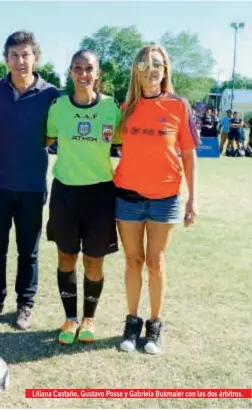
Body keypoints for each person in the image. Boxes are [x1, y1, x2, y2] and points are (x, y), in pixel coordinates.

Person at [113, 45, 200, 355]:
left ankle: (154, 326)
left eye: (158, 64)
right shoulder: (124, 108)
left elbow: (189, 156)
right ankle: (131, 323)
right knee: (133, 260)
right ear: (136, 70)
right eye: (145, 63)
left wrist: (193, 200)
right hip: (127, 195)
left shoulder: (179, 106)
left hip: (165, 197)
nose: (151, 69)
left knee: (155, 262)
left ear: (166, 70)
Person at [0, 31, 61, 330]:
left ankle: (25, 305)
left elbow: (57, 134)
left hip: (31, 186)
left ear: (36, 57)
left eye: (25, 54)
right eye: (13, 55)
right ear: (6, 59)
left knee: (28, 251)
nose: (19, 61)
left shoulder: (51, 94)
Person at [45, 50, 121, 344]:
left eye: (89, 68)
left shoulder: (111, 108)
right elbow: (47, 139)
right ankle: (70, 319)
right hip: (65, 192)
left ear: (97, 73)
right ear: (70, 72)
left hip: (100, 193)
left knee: (94, 259)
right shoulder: (58, 108)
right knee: (66, 256)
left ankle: (89, 318)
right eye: (78, 68)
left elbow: (121, 142)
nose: (83, 74)